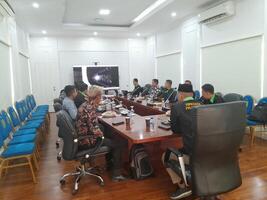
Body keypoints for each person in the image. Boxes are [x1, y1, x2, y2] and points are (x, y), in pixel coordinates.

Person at [75, 85, 127, 182]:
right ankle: (117, 175)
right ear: (97, 97)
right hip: (87, 140)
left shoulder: (85, 105)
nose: (101, 98)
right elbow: (94, 130)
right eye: (101, 96)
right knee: (117, 144)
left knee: (110, 135)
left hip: (82, 137)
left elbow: (93, 126)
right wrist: (104, 137)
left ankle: (109, 165)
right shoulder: (90, 109)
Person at [162, 84, 201, 200]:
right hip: (208, 152)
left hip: (192, 154)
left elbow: (175, 130)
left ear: (181, 95)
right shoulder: (203, 105)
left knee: (165, 156)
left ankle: (183, 185)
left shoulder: (177, 107)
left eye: (178, 94)